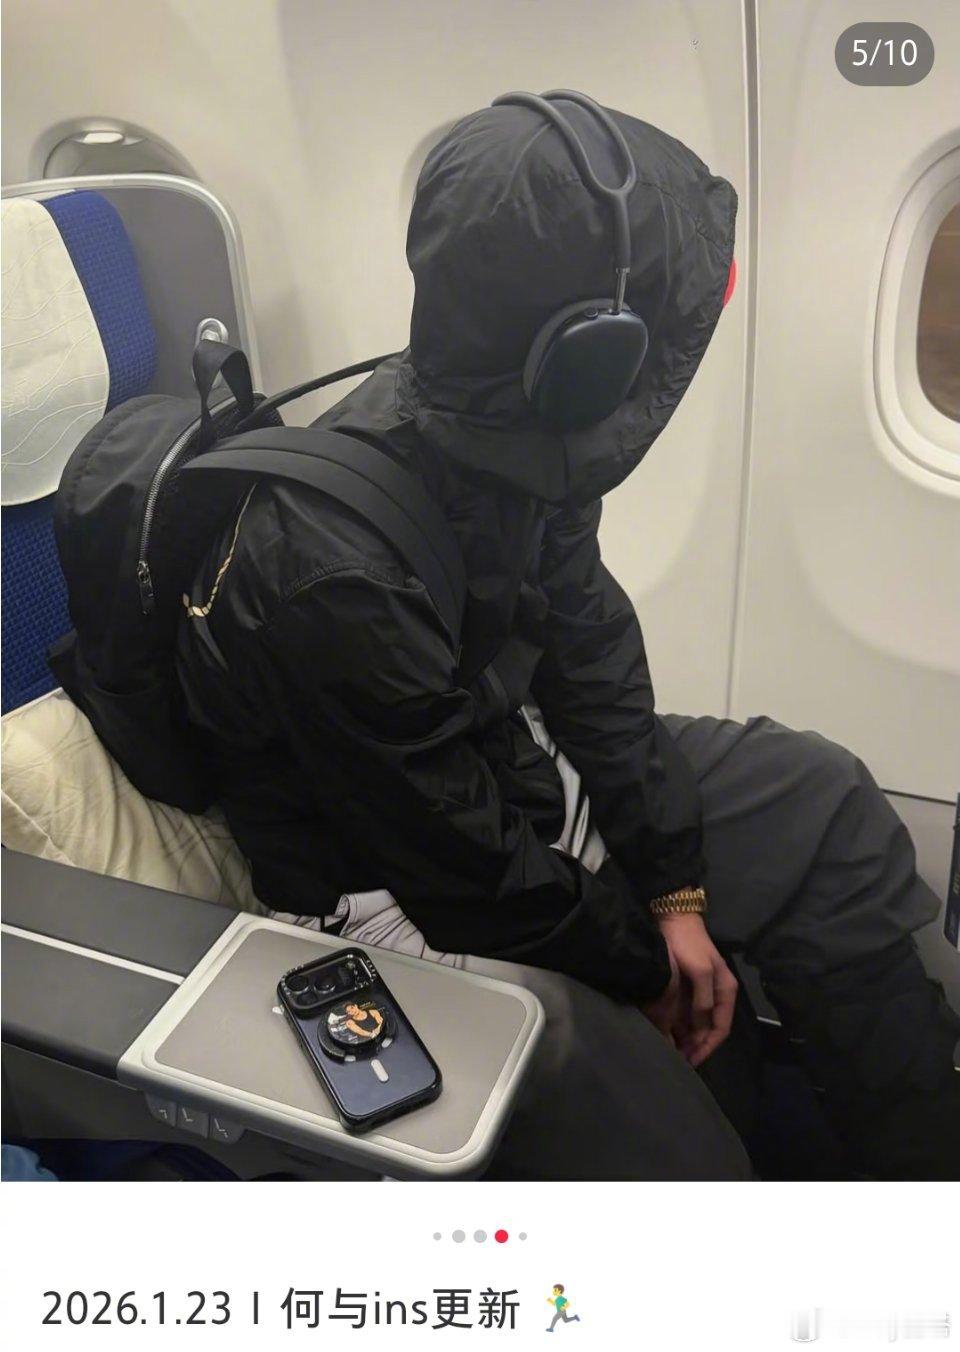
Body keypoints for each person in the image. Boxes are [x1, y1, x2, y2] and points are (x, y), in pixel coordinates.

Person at [176, 91, 959, 1180]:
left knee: (817, 797)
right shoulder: (328, 570)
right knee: (686, 1151)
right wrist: (650, 962)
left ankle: (924, 1174)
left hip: (509, 780)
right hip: (391, 889)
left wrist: (675, 887)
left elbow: (591, 650)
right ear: (587, 352)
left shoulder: (519, 433)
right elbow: (461, 866)